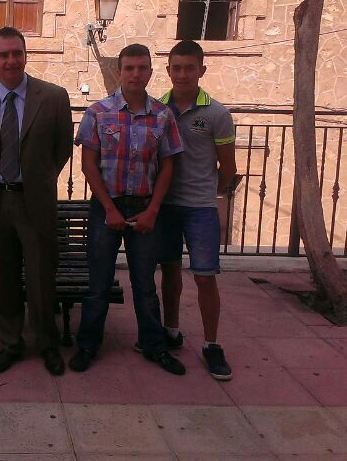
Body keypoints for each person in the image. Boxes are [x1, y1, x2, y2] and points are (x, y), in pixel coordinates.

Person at [69, 43, 187, 376]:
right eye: (129, 68)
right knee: (99, 282)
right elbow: (88, 164)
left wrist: (152, 211)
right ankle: (88, 346)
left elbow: (167, 166)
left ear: (150, 72)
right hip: (106, 208)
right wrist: (108, 208)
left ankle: (154, 345)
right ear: (119, 72)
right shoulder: (98, 112)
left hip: (145, 209)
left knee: (145, 283)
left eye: (142, 68)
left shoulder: (163, 115)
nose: (135, 74)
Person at [0, 26, 73, 376]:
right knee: (4, 277)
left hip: (35, 202)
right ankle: (10, 343)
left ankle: (47, 343)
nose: (11, 60)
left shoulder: (54, 97)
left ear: (25, 55)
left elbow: (61, 150)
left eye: (17, 53)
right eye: (3, 54)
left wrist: (37, 180)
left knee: (43, 278)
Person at [153, 39, 237, 380]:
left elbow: (228, 169)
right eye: (177, 68)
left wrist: (210, 196)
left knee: (205, 276)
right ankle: (171, 330)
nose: (183, 74)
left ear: (201, 70)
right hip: (165, 206)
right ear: (169, 70)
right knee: (170, 272)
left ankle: (212, 344)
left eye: (190, 68)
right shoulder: (158, 108)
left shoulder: (217, 114)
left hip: (200, 208)